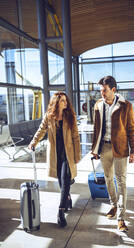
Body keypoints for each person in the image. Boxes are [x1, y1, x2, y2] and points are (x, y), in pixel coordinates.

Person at [28, 92, 81, 228]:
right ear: (56, 103)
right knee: (62, 182)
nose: (65, 103)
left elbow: (75, 136)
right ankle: (67, 197)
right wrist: (33, 142)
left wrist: (77, 155)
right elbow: (41, 130)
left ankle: (61, 212)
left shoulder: (70, 116)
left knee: (65, 178)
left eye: (65, 100)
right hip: (55, 155)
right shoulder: (49, 117)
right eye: (62, 101)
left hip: (67, 155)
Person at [91, 76, 134, 232]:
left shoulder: (126, 106)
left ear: (113, 90)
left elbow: (131, 129)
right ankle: (113, 204)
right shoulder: (98, 105)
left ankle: (121, 218)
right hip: (104, 147)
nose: (102, 94)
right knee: (108, 178)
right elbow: (96, 129)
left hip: (121, 148)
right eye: (100, 91)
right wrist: (95, 149)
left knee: (121, 181)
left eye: (104, 90)